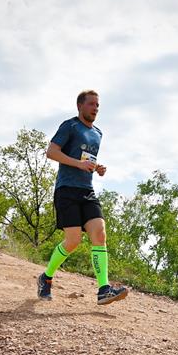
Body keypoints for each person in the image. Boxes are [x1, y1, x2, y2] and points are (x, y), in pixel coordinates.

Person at [37, 89, 128, 305]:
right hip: (66, 190)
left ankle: (104, 289)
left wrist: (97, 167)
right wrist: (78, 164)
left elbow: (86, 159)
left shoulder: (98, 133)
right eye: (91, 104)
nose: (95, 108)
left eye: (97, 105)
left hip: (87, 191)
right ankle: (46, 278)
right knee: (73, 241)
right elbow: (51, 152)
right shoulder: (70, 126)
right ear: (80, 106)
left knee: (100, 234)